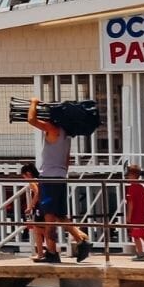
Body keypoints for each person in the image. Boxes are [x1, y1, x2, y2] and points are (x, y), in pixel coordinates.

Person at [27, 97, 92, 262]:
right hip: (60, 177)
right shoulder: (66, 135)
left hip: (49, 178)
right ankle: (80, 240)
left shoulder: (51, 128)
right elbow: (67, 161)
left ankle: (52, 252)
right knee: (60, 215)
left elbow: (31, 119)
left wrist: (33, 103)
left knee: (49, 216)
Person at [19, 162, 46, 261]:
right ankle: (43, 252)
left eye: (24, 176)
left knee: (38, 230)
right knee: (40, 230)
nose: (24, 179)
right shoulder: (40, 179)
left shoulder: (33, 182)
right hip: (44, 206)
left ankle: (40, 253)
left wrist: (30, 206)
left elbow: (38, 193)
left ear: (28, 174)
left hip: (39, 207)